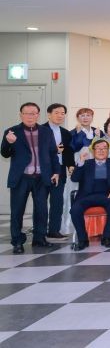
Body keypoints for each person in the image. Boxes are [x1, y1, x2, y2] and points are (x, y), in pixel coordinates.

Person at [2, 102, 60, 253]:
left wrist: (56, 171)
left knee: (41, 210)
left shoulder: (46, 132)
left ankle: (39, 239)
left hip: (42, 177)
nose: (30, 116)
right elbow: (5, 153)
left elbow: (53, 153)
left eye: (33, 113)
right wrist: (8, 142)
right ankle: (17, 241)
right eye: (27, 113)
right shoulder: (12, 132)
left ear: (38, 115)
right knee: (17, 211)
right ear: (21, 115)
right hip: (21, 178)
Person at [70, 139, 110, 250]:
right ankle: (83, 239)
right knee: (75, 209)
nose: (101, 151)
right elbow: (74, 178)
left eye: (104, 148)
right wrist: (80, 162)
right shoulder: (86, 163)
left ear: (108, 151)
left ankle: (106, 237)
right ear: (93, 151)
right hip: (86, 196)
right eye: (98, 148)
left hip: (106, 195)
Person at [43, 103, 75, 240]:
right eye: (56, 113)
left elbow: (68, 151)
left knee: (57, 201)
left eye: (62, 113)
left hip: (60, 170)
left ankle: (54, 230)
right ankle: (40, 231)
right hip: (43, 171)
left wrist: (70, 165)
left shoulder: (65, 133)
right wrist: (54, 150)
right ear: (49, 114)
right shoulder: (41, 130)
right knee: (41, 202)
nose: (60, 116)